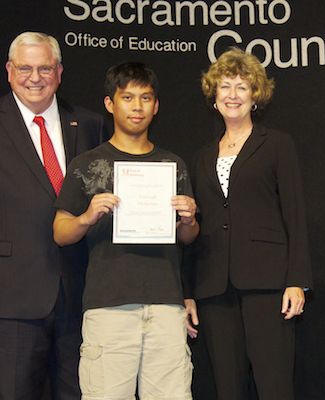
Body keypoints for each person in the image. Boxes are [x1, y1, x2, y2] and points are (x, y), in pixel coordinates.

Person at [53, 62, 199, 399]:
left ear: (156, 106)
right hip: (109, 307)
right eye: (128, 97)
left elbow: (188, 237)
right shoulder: (86, 164)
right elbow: (60, 232)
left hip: (165, 306)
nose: (137, 107)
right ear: (109, 104)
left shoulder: (172, 164)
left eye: (145, 98)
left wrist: (190, 220)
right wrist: (87, 217)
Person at [188, 47, 312, 400]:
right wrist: (187, 290)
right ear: (214, 95)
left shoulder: (277, 145)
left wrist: (297, 281)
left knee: (274, 385)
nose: (232, 95)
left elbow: (295, 214)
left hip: (268, 283)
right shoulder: (201, 156)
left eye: (242, 87)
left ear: (255, 95)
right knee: (227, 387)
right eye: (225, 86)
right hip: (214, 286)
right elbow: (193, 226)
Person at [0, 31, 107, 399]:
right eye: (25, 68)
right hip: (12, 295)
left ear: (59, 72)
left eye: (44, 68)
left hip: (79, 293)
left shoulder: (89, 124)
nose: (35, 77)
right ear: (9, 72)